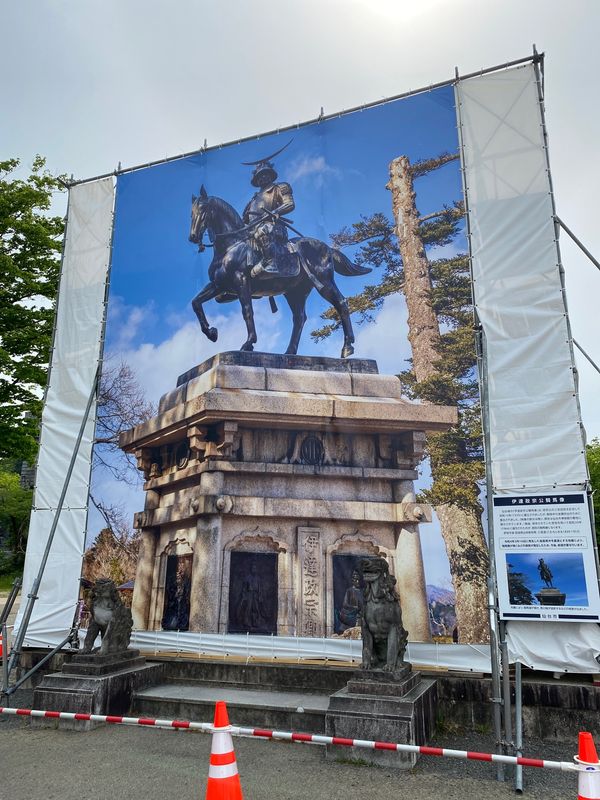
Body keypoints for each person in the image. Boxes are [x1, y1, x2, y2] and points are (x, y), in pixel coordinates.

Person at [242, 158, 295, 278]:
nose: (262, 178)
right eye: (259, 177)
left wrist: (274, 212)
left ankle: (271, 262)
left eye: (265, 174)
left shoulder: (280, 188)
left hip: (273, 227)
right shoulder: (254, 199)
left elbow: (289, 204)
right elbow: (245, 219)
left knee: (263, 230)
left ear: (271, 175)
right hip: (253, 230)